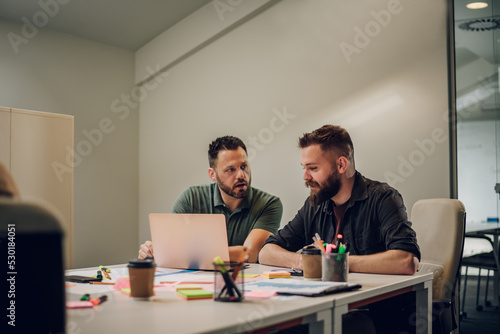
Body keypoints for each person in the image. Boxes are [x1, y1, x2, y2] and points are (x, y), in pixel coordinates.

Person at [259, 125, 420, 334]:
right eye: (304, 168)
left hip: (374, 312)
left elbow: (406, 261)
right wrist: (304, 261)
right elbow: (266, 251)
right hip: (325, 305)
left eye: (313, 168)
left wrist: (334, 263)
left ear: (341, 164)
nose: (305, 177)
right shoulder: (315, 205)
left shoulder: (384, 198)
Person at [139, 136, 283, 263]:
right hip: (194, 281)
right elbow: (172, 248)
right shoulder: (190, 198)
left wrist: (186, 253)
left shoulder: (269, 204)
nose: (241, 175)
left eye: (243, 166)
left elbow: (249, 253)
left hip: (244, 284)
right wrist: (152, 251)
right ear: (212, 174)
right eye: (231, 169)